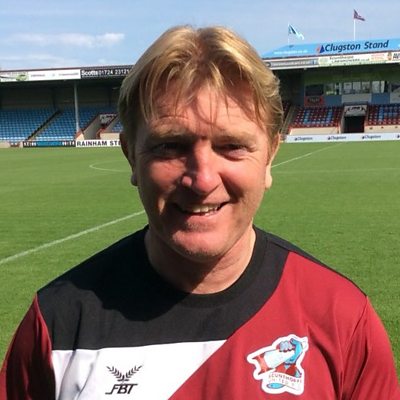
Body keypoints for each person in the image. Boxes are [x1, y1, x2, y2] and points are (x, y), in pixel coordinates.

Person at [0, 25, 399, 400]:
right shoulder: (56, 325)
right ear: (131, 156)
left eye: (232, 146)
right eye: (170, 146)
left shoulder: (342, 319)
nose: (203, 179)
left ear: (270, 157)